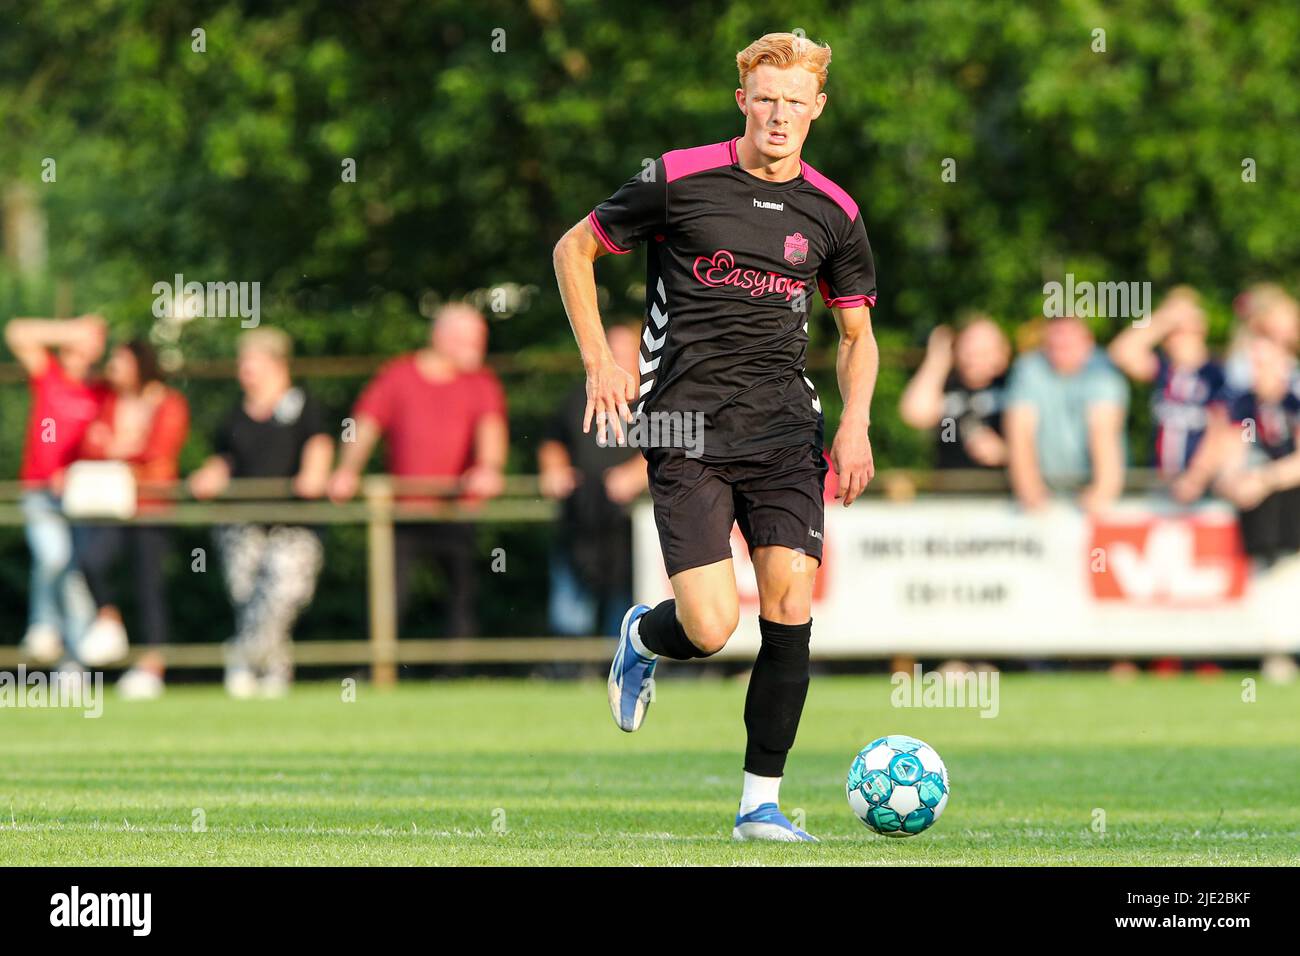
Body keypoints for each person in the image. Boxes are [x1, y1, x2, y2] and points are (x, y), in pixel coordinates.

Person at [553, 32, 878, 842]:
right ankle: (643, 634)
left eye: (795, 102)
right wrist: (601, 357)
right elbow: (574, 247)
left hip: (783, 432)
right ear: (744, 100)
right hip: (682, 423)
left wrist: (858, 424)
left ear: (817, 109)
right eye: (766, 98)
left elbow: (857, 336)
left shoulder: (835, 211)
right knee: (707, 628)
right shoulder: (678, 177)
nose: (779, 115)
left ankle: (759, 805)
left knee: (791, 605)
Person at [328, 303, 507, 638]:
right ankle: (377, 668)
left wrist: (489, 468)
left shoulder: (481, 381)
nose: (480, 347)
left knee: (462, 593)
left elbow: (491, 428)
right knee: (388, 593)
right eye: (471, 339)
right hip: (402, 509)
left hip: (456, 508)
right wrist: (346, 470)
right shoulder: (398, 375)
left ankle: (456, 673)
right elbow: (364, 424)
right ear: (441, 336)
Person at [189, 329, 333, 697]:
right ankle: (272, 667)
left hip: (294, 521)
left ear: (277, 364)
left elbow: (319, 445)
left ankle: (244, 657)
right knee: (247, 596)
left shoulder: (305, 406)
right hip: (243, 522)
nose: (244, 370)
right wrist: (209, 476)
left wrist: (315, 473)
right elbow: (225, 458)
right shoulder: (235, 413)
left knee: (282, 592)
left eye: (251, 362)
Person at [72, 339, 189, 699]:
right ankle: (109, 618)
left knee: (148, 585)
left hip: (151, 505)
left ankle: (152, 665)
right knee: (91, 561)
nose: (114, 367)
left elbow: (159, 451)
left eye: (122, 361)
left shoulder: (168, 402)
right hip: (111, 502)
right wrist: (120, 447)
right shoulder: (107, 400)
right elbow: (89, 445)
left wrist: (119, 446)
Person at [3, 315, 106, 666]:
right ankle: (44, 626)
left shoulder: (99, 390)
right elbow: (16, 332)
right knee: (53, 558)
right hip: (39, 489)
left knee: (75, 573)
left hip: (81, 495)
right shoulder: (49, 375)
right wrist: (71, 329)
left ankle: (73, 661)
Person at [538, 323, 647, 639]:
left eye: (627, 351)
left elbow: (680, 446)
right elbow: (552, 440)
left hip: (637, 530)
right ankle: (571, 675)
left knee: (630, 615)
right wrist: (554, 468)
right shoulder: (577, 397)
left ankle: (626, 672)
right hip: (581, 520)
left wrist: (636, 474)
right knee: (571, 613)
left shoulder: (659, 400)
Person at [1004, 315, 1129, 513]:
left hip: (1093, 489)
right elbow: (1020, 432)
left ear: (1088, 341)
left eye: (1069, 341)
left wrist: (1102, 490)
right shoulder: (1028, 369)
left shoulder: (1103, 370)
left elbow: (1103, 432)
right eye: (1054, 341)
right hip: (1042, 491)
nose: (1061, 346)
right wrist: (1028, 487)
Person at [1108, 287, 1224, 480]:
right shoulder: (1164, 369)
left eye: (1186, 330)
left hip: (1203, 486)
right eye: (1172, 332)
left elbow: (1223, 431)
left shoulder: (1216, 374)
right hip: (1160, 483)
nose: (1178, 338)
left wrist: (1197, 476)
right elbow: (1121, 352)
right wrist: (1164, 319)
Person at [899, 314, 1010, 469]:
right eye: (969, 350)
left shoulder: (1011, 385)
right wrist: (937, 358)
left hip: (1001, 488)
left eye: (984, 352)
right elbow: (915, 415)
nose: (974, 359)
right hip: (951, 487)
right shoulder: (944, 385)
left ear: (1003, 353)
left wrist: (1005, 453)